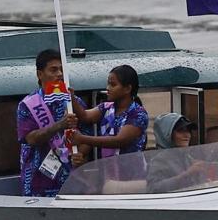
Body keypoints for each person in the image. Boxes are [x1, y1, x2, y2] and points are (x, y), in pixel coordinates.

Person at [16, 49, 102, 197]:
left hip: (71, 180)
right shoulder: (27, 105)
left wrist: (81, 153)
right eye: (54, 70)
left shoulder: (74, 102)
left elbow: (87, 135)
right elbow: (31, 138)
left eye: (62, 70)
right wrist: (60, 125)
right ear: (40, 74)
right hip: (38, 182)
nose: (60, 74)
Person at [68, 65, 149, 179]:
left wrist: (82, 139)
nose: (108, 88)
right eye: (108, 84)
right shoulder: (106, 108)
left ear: (127, 89)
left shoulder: (138, 114)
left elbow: (119, 141)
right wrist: (71, 98)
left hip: (132, 177)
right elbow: (84, 116)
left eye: (113, 85)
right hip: (109, 175)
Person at [146, 113, 210, 193]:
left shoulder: (187, 158)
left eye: (188, 131)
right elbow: (153, 189)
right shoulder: (159, 160)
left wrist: (204, 183)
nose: (187, 135)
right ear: (167, 134)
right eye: (181, 131)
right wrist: (186, 174)